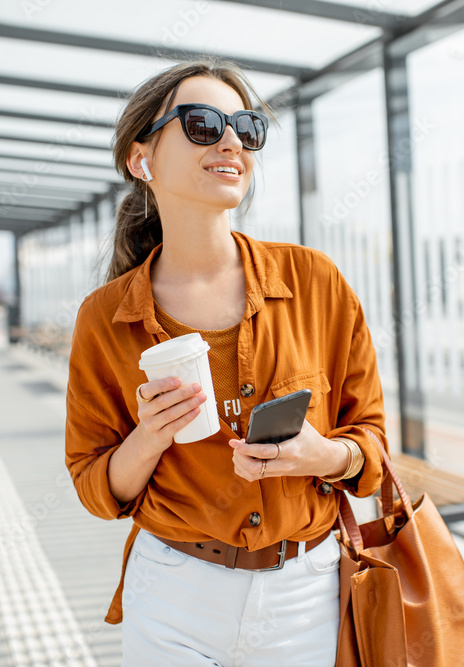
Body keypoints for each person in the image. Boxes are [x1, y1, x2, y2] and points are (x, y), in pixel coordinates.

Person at [64, 57, 389, 666]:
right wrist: (149, 436)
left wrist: (323, 455)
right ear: (143, 160)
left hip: (307, 595)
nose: (234, 140)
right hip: (174, 593)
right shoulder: (104, 318)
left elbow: (371, 449)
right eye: (203, 123)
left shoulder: (314, 281)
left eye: (246, 126)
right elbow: (96, 487)